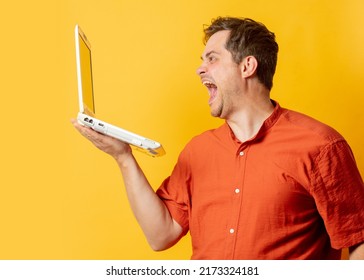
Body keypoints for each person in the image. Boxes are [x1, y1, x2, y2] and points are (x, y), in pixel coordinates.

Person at [72, 17, 364, 259]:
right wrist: (123, 157)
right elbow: (160, 235)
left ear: (247, 66)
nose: (200, 69)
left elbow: (359, 241)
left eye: (212, 59)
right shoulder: (197, 151)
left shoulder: (321, 146)